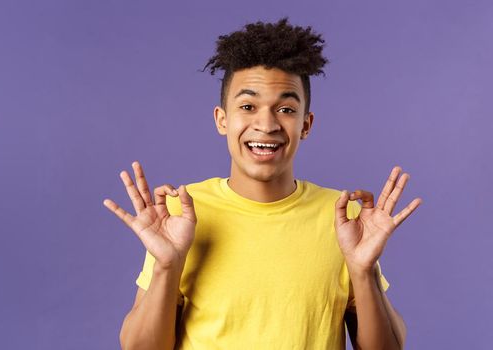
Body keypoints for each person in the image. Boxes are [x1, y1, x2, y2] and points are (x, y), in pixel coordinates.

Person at [102, 18, 421, 349]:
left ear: (306, 124)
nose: (266, 124)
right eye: (248, 106)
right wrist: (168, 267)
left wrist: (363, 270)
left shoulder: (344, 219)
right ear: (222, 119)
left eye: (285, 108)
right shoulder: (179, 214)